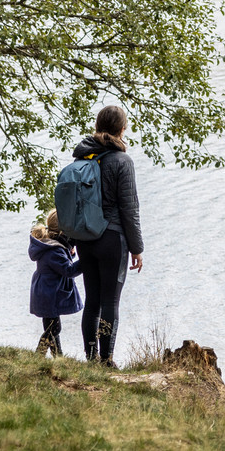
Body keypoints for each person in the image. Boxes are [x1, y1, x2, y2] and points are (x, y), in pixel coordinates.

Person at [70, 104, 143, 367]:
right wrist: (137, 248)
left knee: (92, 299)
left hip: (86, 240)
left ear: (98, 126)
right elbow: (130, 208)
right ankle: (106, 359)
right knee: (110, 301)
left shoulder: (82, 159)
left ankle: (90, 359)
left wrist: (71, 240)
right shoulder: (123, 161)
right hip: (112, 239)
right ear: (122, 129)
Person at [29, 209, 83, 357]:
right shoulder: (54, 251)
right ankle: (38, 355)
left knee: (50, 326)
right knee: (54, 328)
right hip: (49, 292)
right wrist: (86, 261)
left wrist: (68, 250)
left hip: (45, 290)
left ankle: (58, 357)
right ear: (63, 231)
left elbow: (61, 258)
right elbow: (69, 270)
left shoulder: (50, 245)